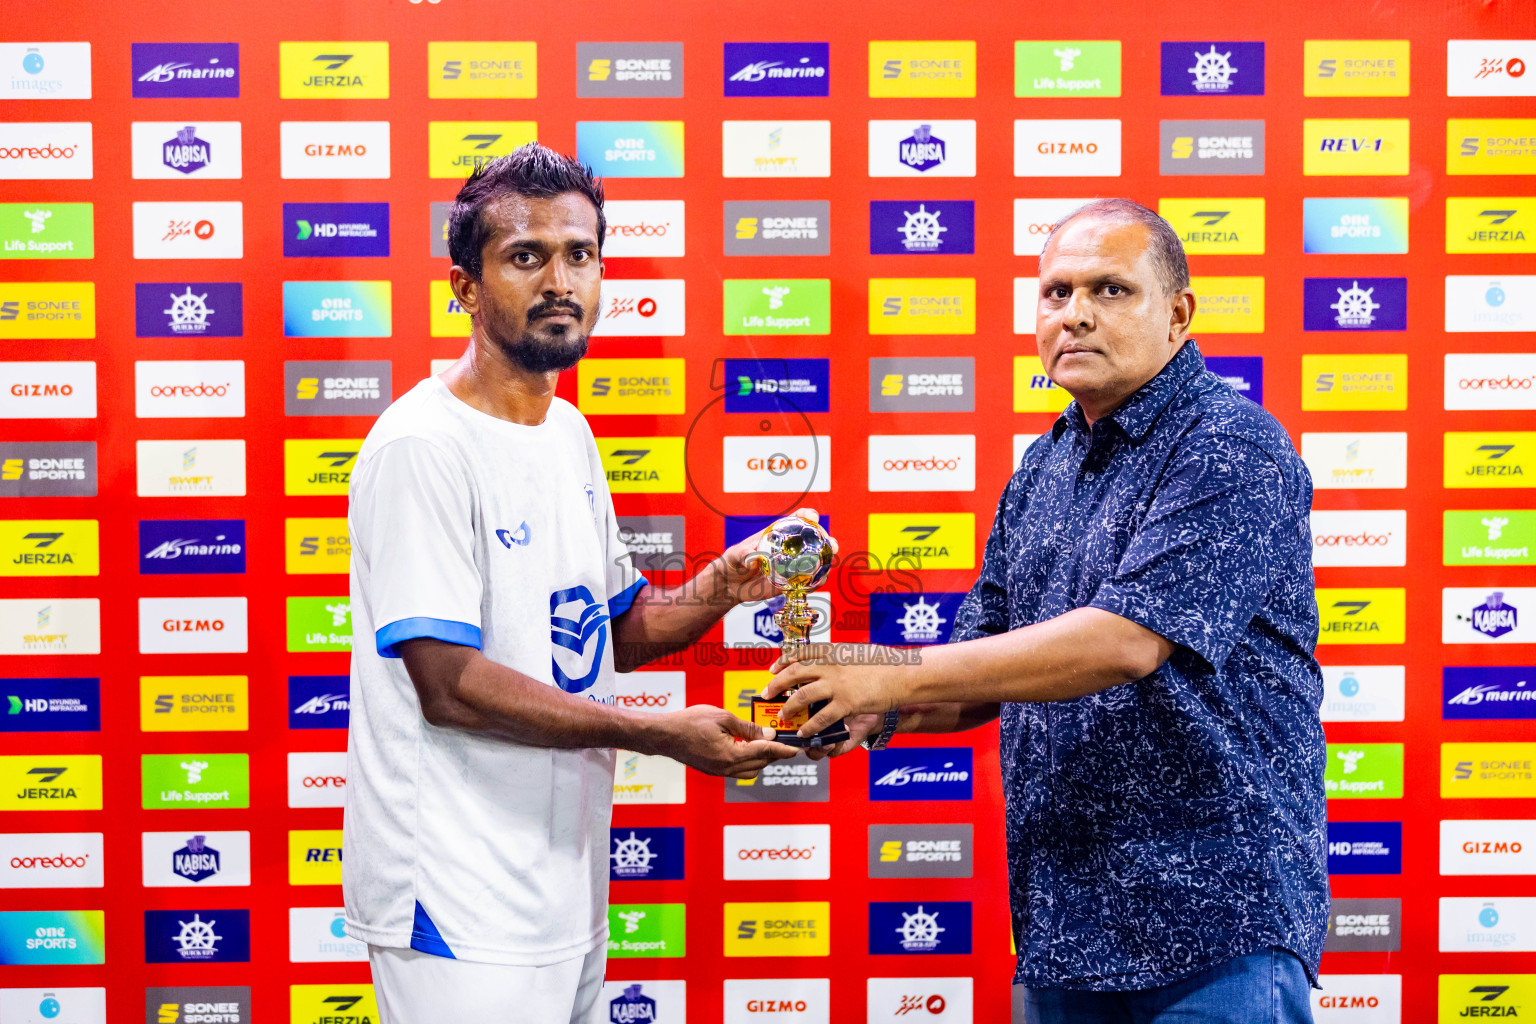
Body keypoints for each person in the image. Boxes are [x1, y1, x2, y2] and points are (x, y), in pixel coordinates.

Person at [762, 199, 1327, 1022]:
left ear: (1179, 315)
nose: (1077, 315)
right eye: (1057, 292)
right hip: (1065, 925)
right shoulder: (1044, 465)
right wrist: (863, 709)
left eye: (1111, 290)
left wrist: (888, 671)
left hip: (1216, 925)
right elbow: (979, 667)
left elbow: (1126, 641)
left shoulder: (1230, 445)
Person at [342, 143, 801, 1024]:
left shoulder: (570, 435)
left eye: (580, 255)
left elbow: (614, 631)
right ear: (464, 288)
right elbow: (449, 687)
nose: (561, 280)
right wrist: (660, 734)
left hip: (564, 884)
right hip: (455, 898)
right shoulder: (420, 447)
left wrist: (729, 580)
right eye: (527, 256)